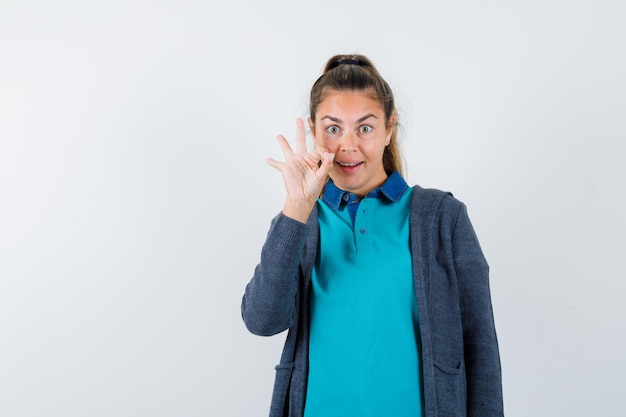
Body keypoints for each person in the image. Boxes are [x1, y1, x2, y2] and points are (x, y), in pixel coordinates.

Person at [241, 54, 503, 417]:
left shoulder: (443, 217)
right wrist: (297, 209)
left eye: (365, 128)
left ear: (389, 129)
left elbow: (481, 348)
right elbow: (262, 321)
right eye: (333, 129)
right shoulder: (299, 221)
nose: (348, 145)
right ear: (314, 131)